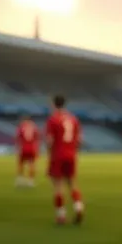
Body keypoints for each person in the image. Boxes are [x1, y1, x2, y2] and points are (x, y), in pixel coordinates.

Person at [46, 95, 84, 225]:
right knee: (72, 182)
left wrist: (49, 153)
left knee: (58, 186)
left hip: (58, 155)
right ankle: (78, 207)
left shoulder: (53, 119)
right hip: (71, 154)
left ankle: (61, 215)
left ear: (53, 104)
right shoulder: (73, 119)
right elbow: (79, 140)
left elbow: (49, 141)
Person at [15, 114, 40, 188]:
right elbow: (37, 138)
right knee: (32, 164)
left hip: (23, 148)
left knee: (21, 164)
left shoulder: (21, 126)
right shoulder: (34, 126)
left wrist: (17, 147)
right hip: (32, 148)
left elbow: (17, 137)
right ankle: (31, 181)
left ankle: (20, 180)